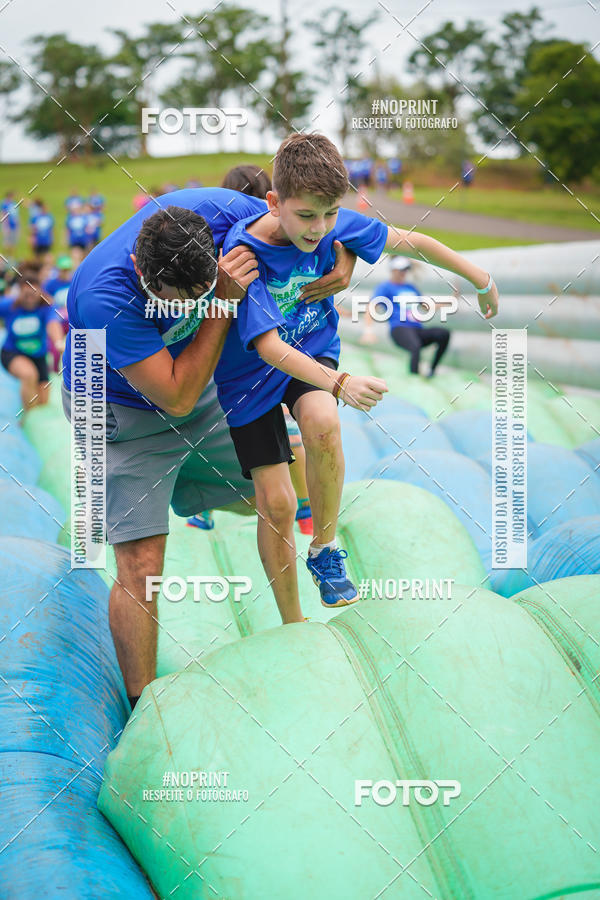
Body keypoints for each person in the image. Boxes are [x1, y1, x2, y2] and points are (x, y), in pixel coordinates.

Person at [61, 186, 358, 711]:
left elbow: (312, 218)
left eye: (196, 295)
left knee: (281, 492)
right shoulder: (103, 295)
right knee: (141, 560)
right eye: (174, 301)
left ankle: (304, 575)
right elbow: (175, 395)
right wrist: (220, 302)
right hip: (119, 407)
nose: (186, 308)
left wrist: (343, 260)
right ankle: (142, 709)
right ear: (137, 265)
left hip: (203, 386)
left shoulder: (224, 213)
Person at [212, 133, 499, 621]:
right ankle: (292, 619)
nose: (319, 229)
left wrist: (480, 278)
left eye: (328, 214)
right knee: (278, 504)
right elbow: (267, 347)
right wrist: (343, 382)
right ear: (274, 202)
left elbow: (415, 241)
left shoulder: (334, 224)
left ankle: (324, 550)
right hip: (250, 378)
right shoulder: (247, 251)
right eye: (306, 216)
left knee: (324, 420)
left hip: (311, 349)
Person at [188, 163, 315, 536]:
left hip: (233, 357)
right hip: (277, 347)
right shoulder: (281, 241)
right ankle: (305, 510)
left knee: (231, 428)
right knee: (289, 429)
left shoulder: (219, 242)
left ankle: (207, 508)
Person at [369, 257, 450, 376]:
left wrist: (449, 302)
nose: (404, 273)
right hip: (399, 329)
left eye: (406, 270)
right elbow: (372, 307)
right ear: (393, 270)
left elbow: (426, 307)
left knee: (443, 334)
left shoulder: (411, 287)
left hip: (417, 329)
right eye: (401, 270)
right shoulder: (385, 287)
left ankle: (431, 370)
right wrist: (368, 331)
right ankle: (414, 378)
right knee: (415, 346)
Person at [0, 267, 64, 410]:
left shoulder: (45, 307)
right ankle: (26, 419)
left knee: (43, 401)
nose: (30, 299)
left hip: (38, 356)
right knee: (29, 375)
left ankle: (33, 416)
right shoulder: (9, 305)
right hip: (12, 353)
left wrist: (59, 342)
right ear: (20, 293)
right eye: (26, 295)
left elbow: (53, 324)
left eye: (33, 294)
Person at [43, 255, 73, 372]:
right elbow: (45, 300)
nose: (65, 272)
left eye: (67, 270)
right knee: (56, 344)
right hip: (58, 319)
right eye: (63, 270)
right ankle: (55, 369)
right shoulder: (51, 284)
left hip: (71, 319)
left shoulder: (73, 281)